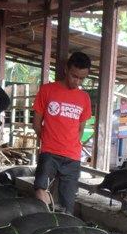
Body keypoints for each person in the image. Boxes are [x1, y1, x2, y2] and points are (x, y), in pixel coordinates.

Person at [32, 52, 92, 214]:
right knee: (40, 191)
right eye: (74, 76)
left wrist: (71, 145)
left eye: (82, 79)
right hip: (49, 153)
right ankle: (45, 224)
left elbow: (80, 128)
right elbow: (36, 123)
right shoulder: (47, 90)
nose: (77, 82)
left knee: (67, 206)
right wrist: (47, 140)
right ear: (66, 69)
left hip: (72, 158)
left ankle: (64, 232)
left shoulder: (84, 98)